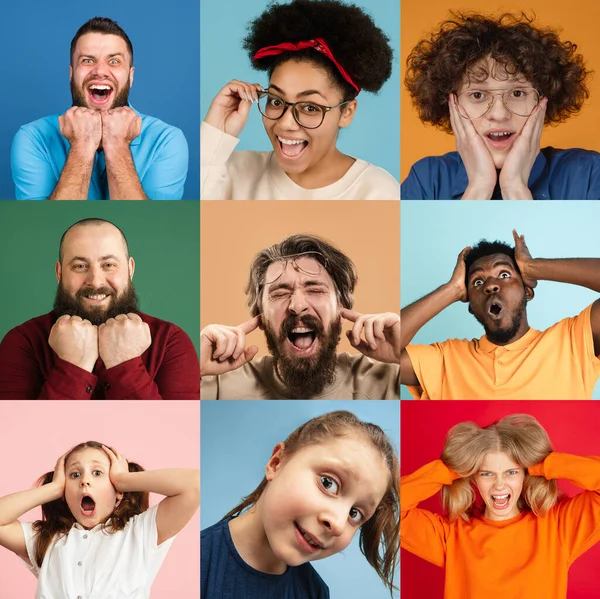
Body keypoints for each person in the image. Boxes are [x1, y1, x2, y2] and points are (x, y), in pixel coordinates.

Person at [201, 0, 399, 200]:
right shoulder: (230, 170)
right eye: (276, 101)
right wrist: (216, 133)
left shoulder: (376, 190)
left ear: (347, 112)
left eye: (310, 108)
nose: (285, 123)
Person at [401, 12, 600, 200]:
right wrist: (479, 187)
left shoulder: (589, 173)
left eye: (517, 93)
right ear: (452, 104)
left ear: (541, 101)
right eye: (478, 95)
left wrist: (515, 188)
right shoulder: (426, 180)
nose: (499, 114)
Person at [201, 410, 399, 597]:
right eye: (328, 483)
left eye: (354, 513)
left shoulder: (315, 592)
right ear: (276, 463)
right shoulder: (191, 563)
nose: (338, 524)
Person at [401, 414, 600, 598]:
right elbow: (391, 509)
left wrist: (544, 464)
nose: (499, 484)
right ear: (473, 477)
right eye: (486, 473)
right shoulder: (452, 535)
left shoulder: (558, 527)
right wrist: (452, 468)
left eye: (511, 472)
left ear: (525, 473)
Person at [0, 218, 200, 399]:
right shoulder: (22, 342)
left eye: (109, 265)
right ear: (59, 273)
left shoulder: (170, 342)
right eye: (79, 266)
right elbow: (22, 434)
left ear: (130, 270)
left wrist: (125, 364)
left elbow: (167, 433)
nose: (95, 281)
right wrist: (73, 367)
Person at [400, 230, 600, 399]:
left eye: (504, 274)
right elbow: (376, 354)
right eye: (477, 282)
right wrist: (451, 289)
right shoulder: (444, 360)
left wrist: (532, 267)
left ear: (527, 292)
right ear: (470, 304)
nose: (490, 285)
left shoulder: (573, 342)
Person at [201, 234, 400, 399]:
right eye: (279, 293)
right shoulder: (217, 384)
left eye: (315, 290)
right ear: (260, 316)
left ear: (341, 309)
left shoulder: (389, 379)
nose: (297, 306)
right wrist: (193, 367)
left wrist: (403, 356)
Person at [11, 17, 188, 200]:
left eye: (114, 61)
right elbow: (43, 225)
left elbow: (152, 225)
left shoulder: (166, 140)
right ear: (71, 75)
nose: (100, 71)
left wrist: (118, 145)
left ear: (130, 76)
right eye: (88, 61)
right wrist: (82, 146)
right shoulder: (33, 138)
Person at [0, 441, 199, 597]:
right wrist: (53, 488)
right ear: (64, 492)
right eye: (75, 475)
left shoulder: (140, 532)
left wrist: (123, 479)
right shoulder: (47, 539)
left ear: (118, 493)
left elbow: (194, 485)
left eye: (97, 473)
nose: (85, 480)